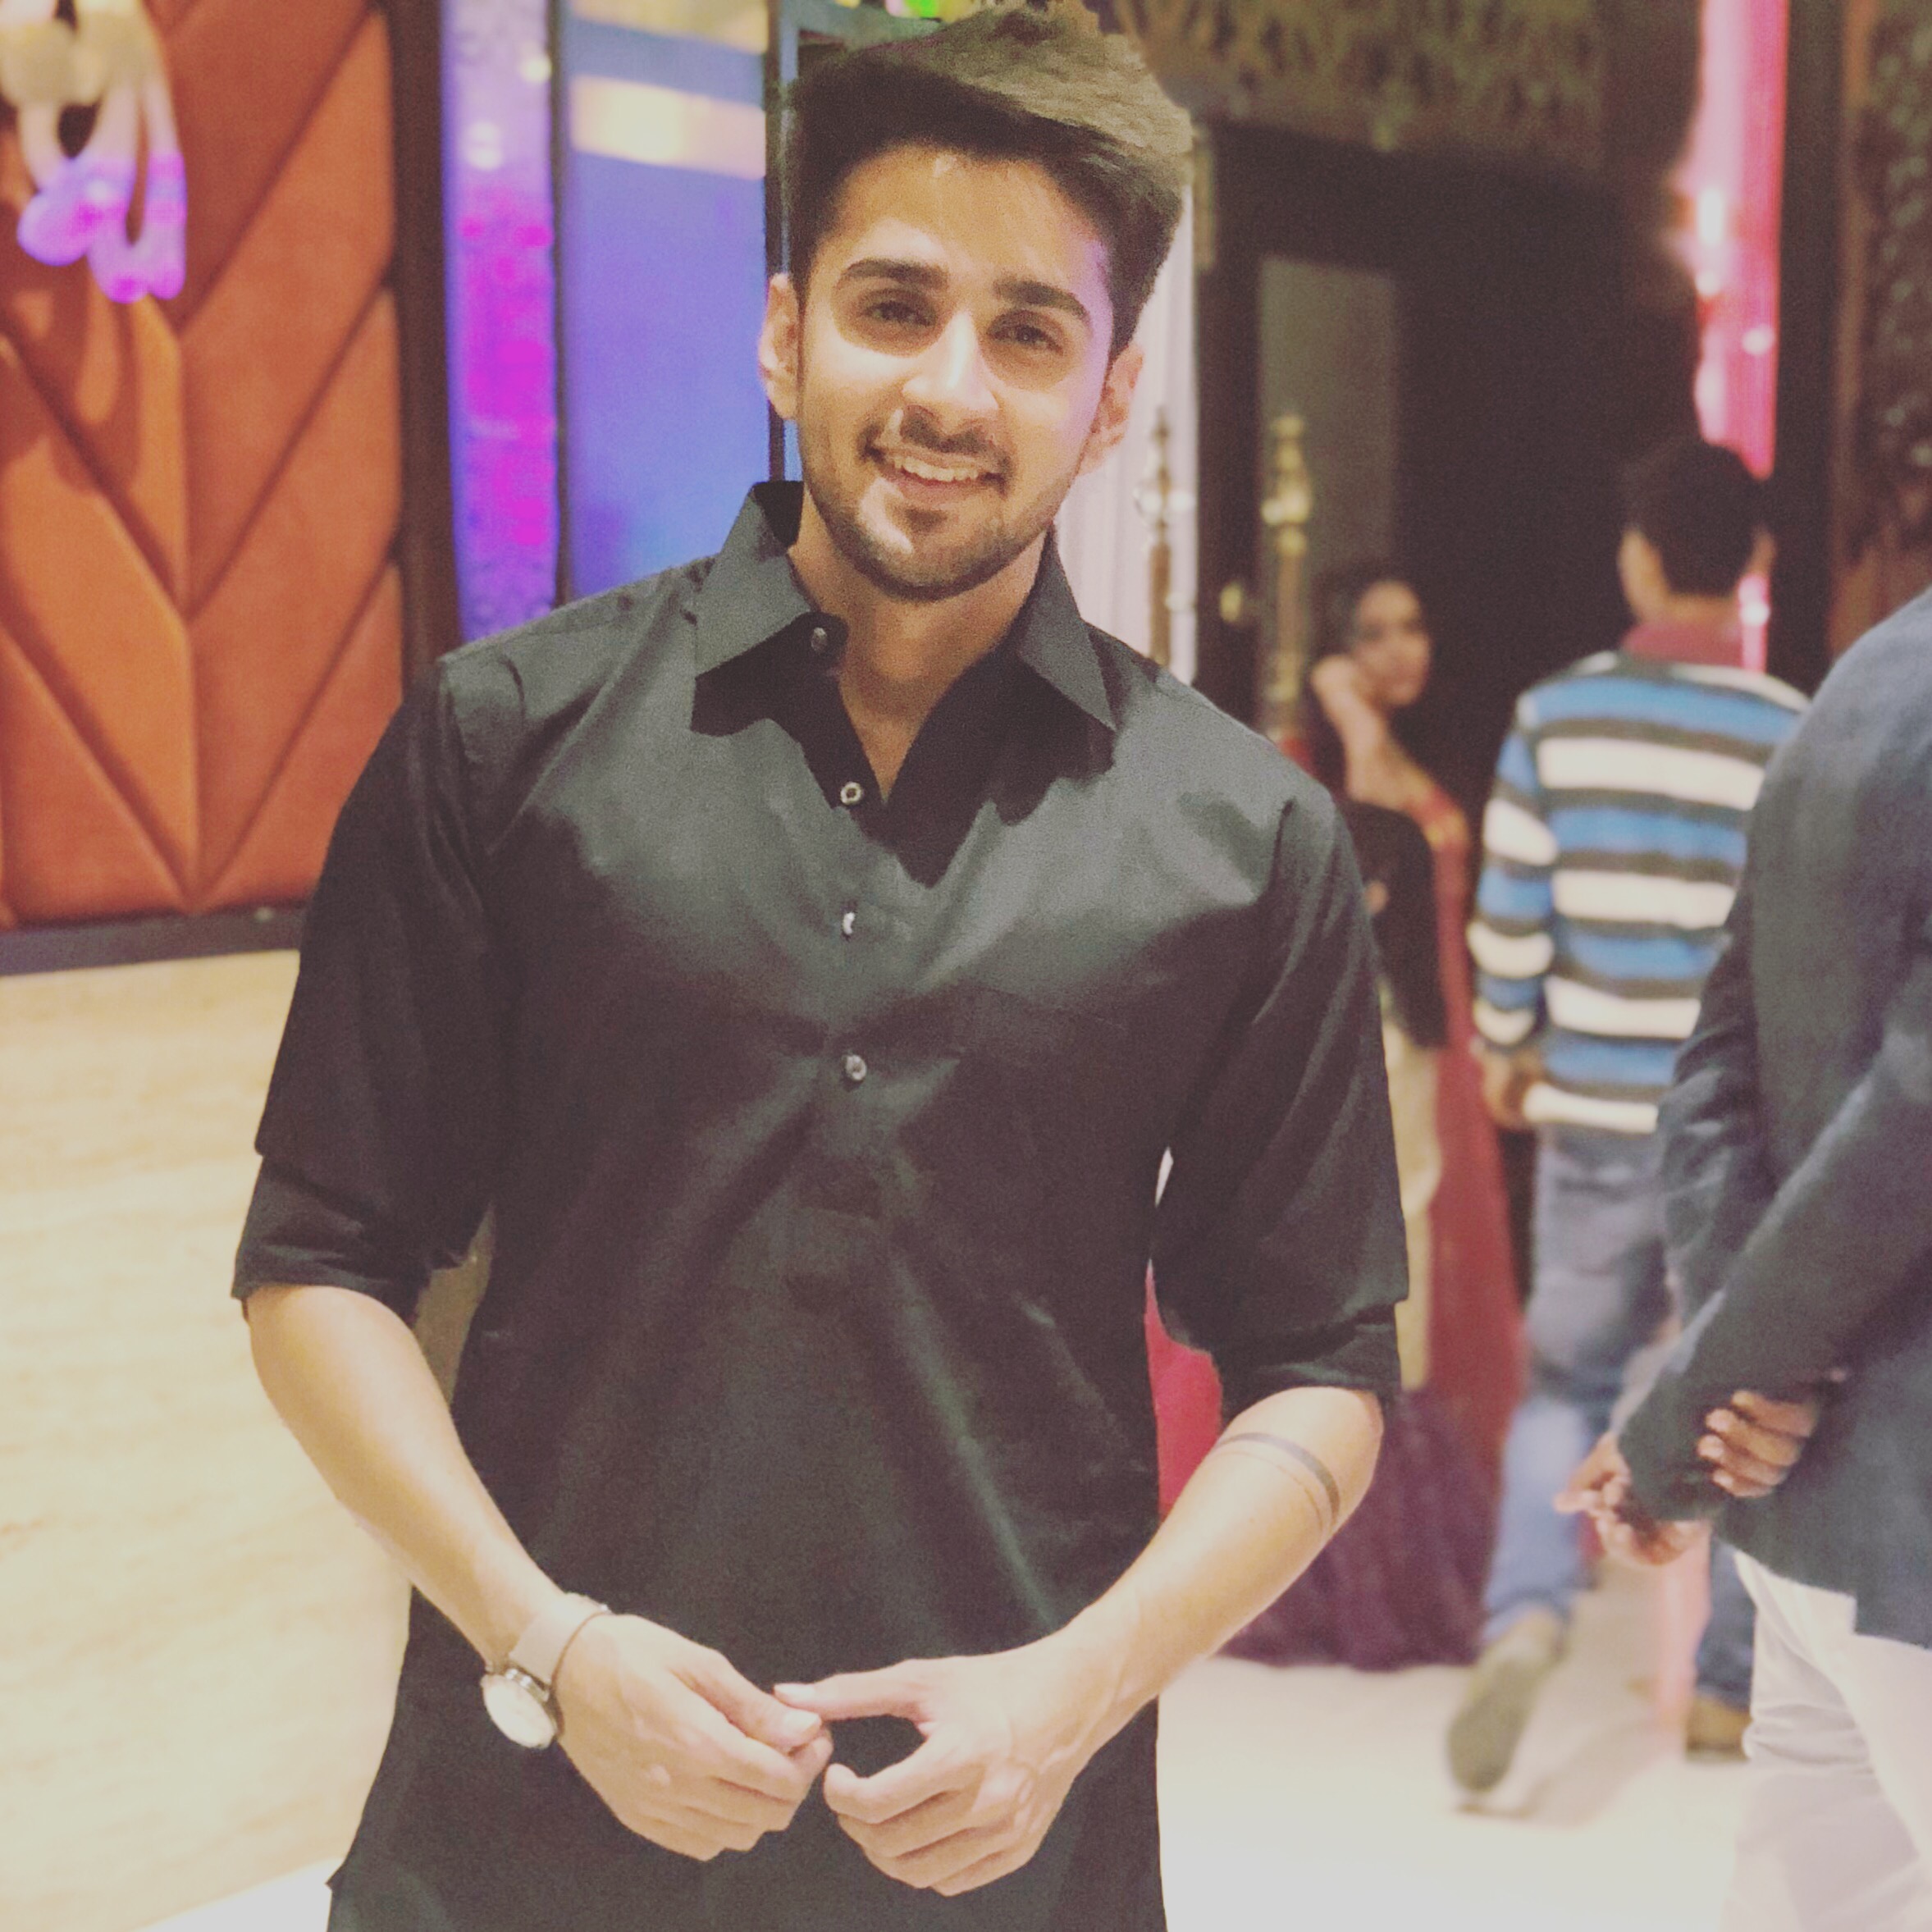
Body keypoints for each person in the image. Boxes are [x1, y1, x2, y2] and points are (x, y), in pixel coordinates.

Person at [233, 11, 1408, 1930]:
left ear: (1110, 397)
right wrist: (546, 1642)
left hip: (997, 1857)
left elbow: (1324, 1372)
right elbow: (315, 1265)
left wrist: (1076, 1691)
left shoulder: (1243, 837)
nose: (948, 386)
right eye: (893, 305)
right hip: (525, 1833)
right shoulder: (503, 741)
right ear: (784, 332)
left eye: (1028, 331)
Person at [1569, 580, 1932, 1931]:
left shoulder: (1860, 685)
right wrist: (1705, 1407)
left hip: (1810, 1514)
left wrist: (1725, 1397)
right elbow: (1910, 1121)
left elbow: (1719, 1069)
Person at [1447, 436, 1806, 1793]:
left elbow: (1511, 912)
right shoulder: (1789, 727)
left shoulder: (1559, 717)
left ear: (1641, 558)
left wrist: (1505, 1046)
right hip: (1732, 1131)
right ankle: (1725, 1689)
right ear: (1753, 563)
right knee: (1736, 1405)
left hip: (1592, 1109)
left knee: (1567, 1381)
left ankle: (1527, 1615)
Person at [1232, 572, 1521, 1669]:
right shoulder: (1329, 760)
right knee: (1384, 1285)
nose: (1407, 648)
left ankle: (1391, 1566)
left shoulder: (1399, 744)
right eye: (1379, 633)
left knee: (1421, 1282)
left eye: (1416, 625)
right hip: (1378, 1045)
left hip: (1424, 1040)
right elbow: (1376, 844)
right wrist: (1352, 727)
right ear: (1338, 648)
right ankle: (1356, 1580)